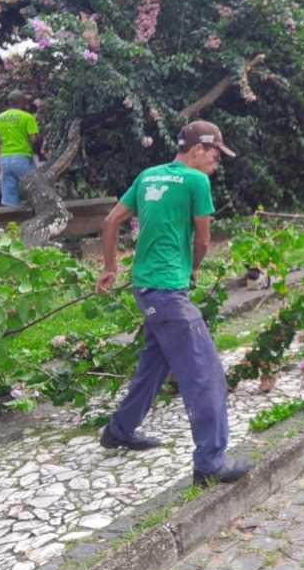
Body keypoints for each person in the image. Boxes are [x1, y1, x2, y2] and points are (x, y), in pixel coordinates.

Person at [95, 120, 250, 488]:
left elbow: (110, 221)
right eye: (214, 154)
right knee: (204, 372)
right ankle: (210, 462)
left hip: (145, 287)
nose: (216, 162)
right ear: (197, 149)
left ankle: (119, 430)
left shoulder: (149, 176)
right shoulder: (197, 182)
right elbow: (202, 239)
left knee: (154, 363)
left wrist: (110, 268)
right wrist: (193, 270)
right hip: (167, 292)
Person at [0, 91, 42, 206]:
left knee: (9, 200)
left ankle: (12, 221)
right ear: (21, 101)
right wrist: (37, 152)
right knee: (35, 190)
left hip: (5, 160)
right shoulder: (27, 117)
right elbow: (34, 139)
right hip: (22, 158)